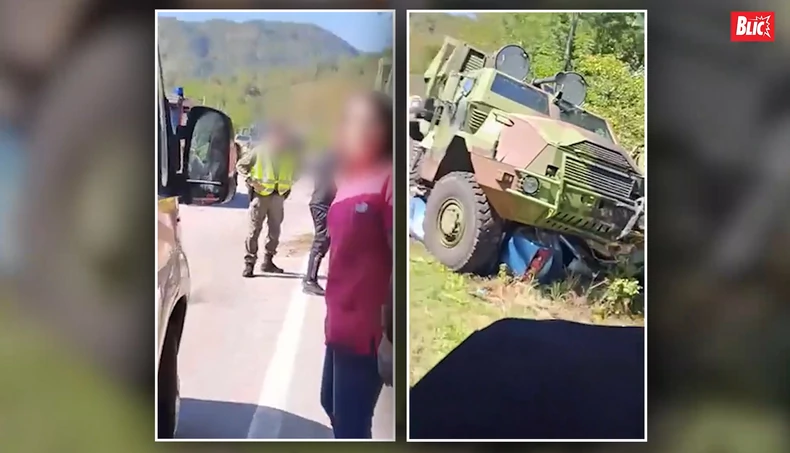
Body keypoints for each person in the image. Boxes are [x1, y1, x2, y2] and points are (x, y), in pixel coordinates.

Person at [320, 91, 393, 439]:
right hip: (338, 325)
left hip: (368, 332)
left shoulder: (388, 179)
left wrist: (391, 336)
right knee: (329, 403)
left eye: (367, 122)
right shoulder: (349, 178)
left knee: (351, 425)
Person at [235, 124, 299, 277]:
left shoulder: (289, 155)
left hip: (278, 197)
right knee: (254, 231)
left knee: (274, 232)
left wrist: (290, 183)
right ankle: (249, 263)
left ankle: (268, 261)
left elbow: (296, 171)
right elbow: (241, 165)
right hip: (261, 196)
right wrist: (251, 181)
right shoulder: (260, 151)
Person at [302, 150, 336, 296]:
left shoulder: (324, 157)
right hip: (322, 204)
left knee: (327, 240)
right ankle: (310, 280)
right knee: (322, 241)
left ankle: (311, 279)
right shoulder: (335, 159)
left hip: (321, 203)